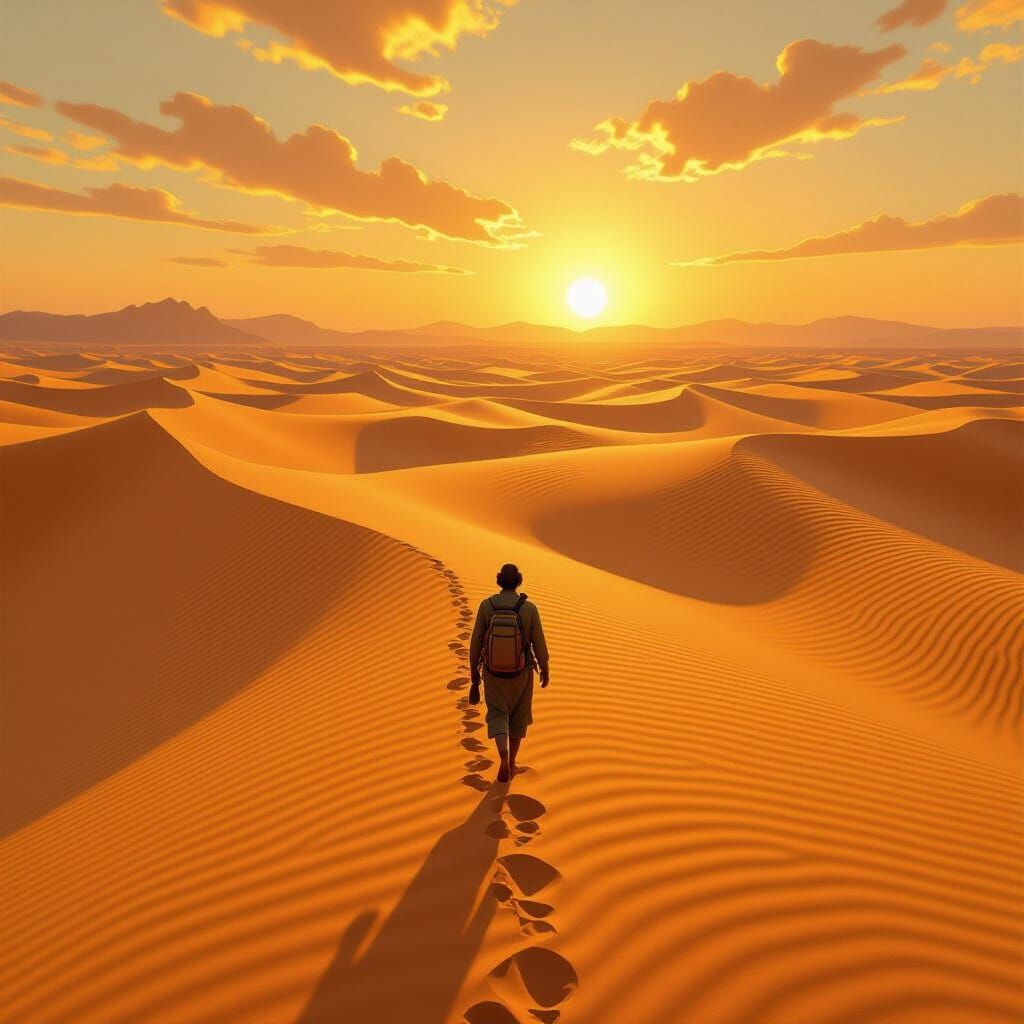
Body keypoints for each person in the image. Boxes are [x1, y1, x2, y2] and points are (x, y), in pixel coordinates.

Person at [469, 563, 550, 783]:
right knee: (518, 717)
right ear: (519, 581)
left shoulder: (487, 606)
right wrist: (544, 667)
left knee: (497, 713)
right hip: (521, 674)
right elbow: (539, 643)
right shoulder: (529, 609)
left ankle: (502, 754)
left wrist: (474, 675)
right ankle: (512, 762)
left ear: (499, 581)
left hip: (492, 673)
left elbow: (475, 642)